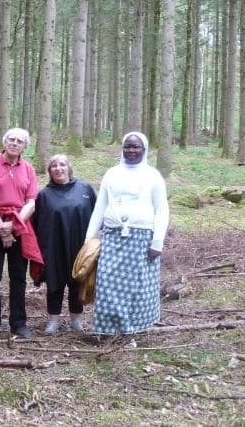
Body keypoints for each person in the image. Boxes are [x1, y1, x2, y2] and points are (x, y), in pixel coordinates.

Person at [84, 132, 169, 336]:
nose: (131, 150)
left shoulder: (152, 176)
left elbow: (162, 209)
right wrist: (89, 238)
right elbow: (100, 207)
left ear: (144, 149)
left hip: (141, 239)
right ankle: (107, 331)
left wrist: (157, 243)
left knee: (136, 288)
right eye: (128, 146)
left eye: (136, 147)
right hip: (112, 237)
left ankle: (132, 330)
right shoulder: (112, 174)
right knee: (107, 285)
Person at [0, 128, 43, 339]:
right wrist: (1, 228)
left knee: (18, 276)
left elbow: (31, 201)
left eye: (20, 141)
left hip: (19, 225)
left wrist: (14, 225)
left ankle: (19, 323)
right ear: (4, 142)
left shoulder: (29, 169)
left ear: (25, 147)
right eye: (11, 140)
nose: (14, 143)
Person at [33, 154, 96, 334]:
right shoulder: (44, 195)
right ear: (49, 171)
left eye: (62, 165)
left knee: (78, 280)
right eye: (54, 166)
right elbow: (36, 222)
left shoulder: (85, 189)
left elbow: (96, 214)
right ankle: (53, 320)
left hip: (80, 245)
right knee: (55, 282)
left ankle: (76, 320)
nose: (58, 168)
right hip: (53, 246)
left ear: (69, 168)